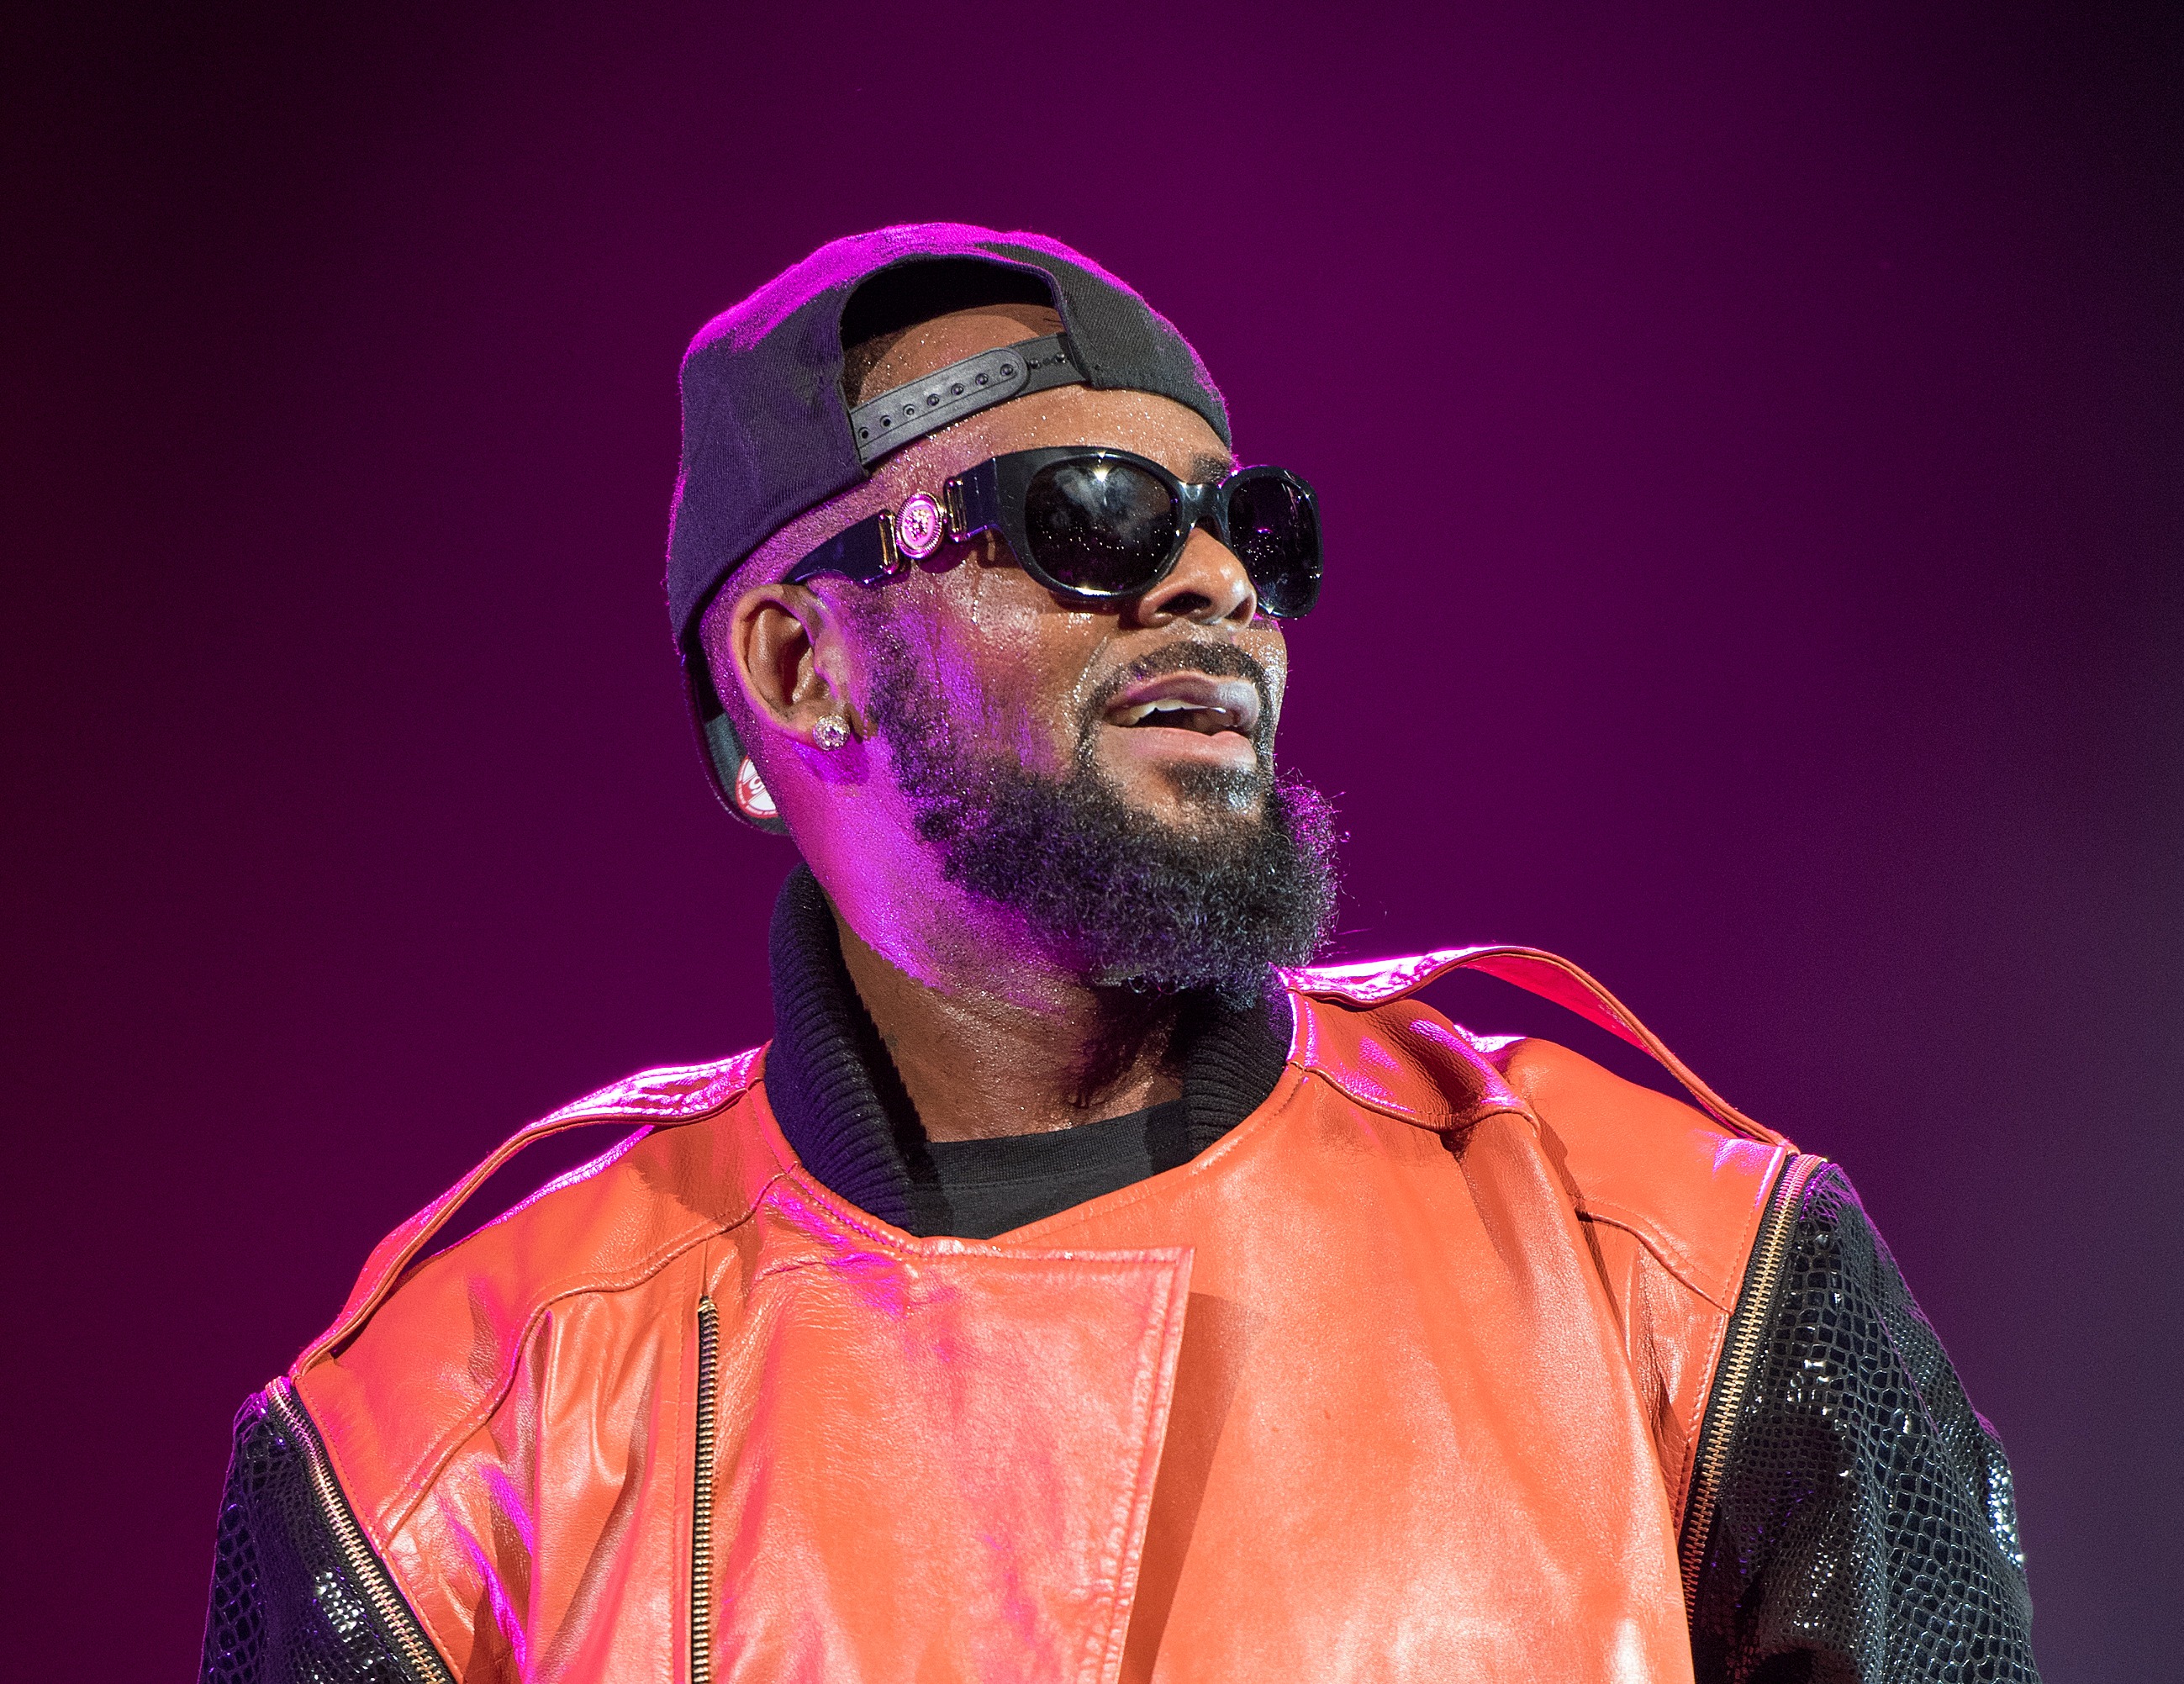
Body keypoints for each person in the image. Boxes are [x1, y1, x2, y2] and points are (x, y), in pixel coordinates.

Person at [199, 224, 2039, 1683]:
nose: (1217, 586)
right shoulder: (450, 1435)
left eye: (1254, 532)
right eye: (1086, 522)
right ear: (794, 665)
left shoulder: (1682, 1273)